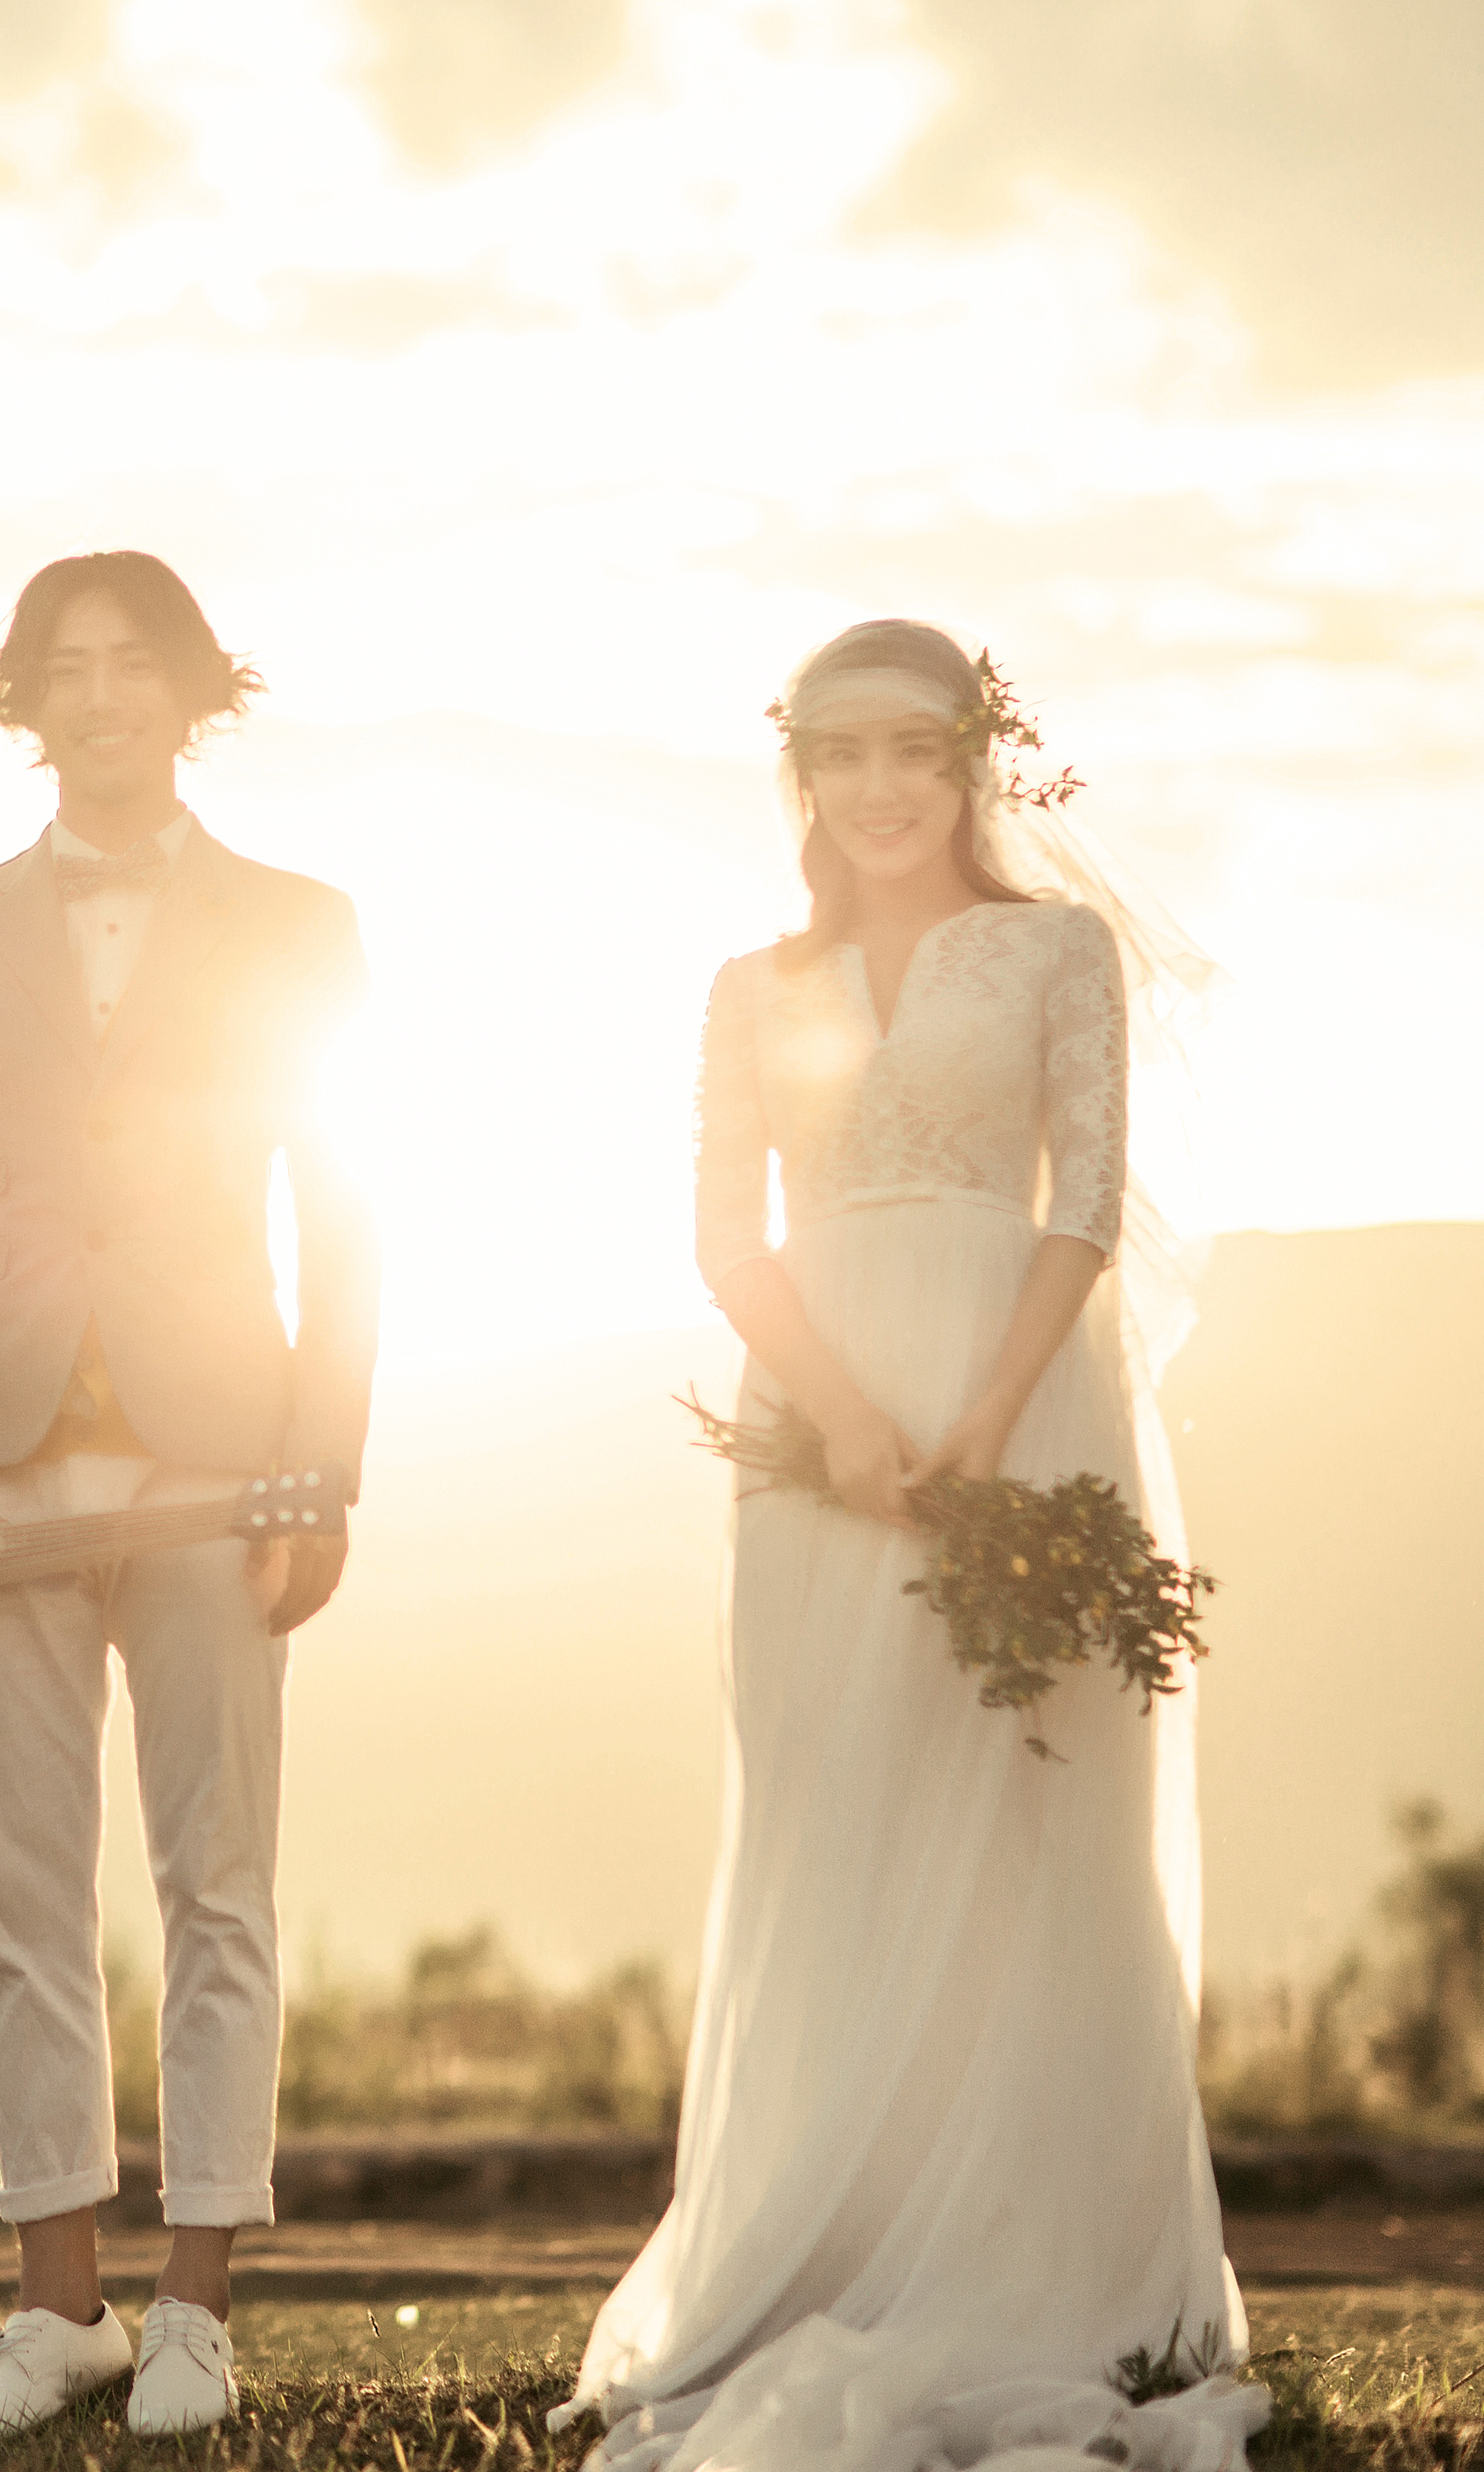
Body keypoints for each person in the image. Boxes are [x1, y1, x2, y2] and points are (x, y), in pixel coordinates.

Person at [562, 620, 1261, 2472]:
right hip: (812, 1429)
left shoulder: (1057, 951)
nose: (881, 789)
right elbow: (725, 1233)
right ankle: (837, 2238)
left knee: (1030, 1810)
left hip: (1023, 1398)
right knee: (840, 1806)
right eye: (844, 754)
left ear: (972, 761)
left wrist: (990, 1413)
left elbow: (1086, 1198)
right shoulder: (753, 982)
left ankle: (1057, 2262)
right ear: (803, 775)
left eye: (914, 751)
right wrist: (845, 1417)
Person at [0, 550, 375, 2451]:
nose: (97, 694)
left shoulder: (301, 920)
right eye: (59, 667)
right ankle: (56, 2310)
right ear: (24, 699)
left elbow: (349, 1208)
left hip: (224, 1455)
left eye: (129, 661)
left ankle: (195, 2312)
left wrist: (323, 1466)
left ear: (189, 688)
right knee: (24, 1897)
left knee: (216, 1884)